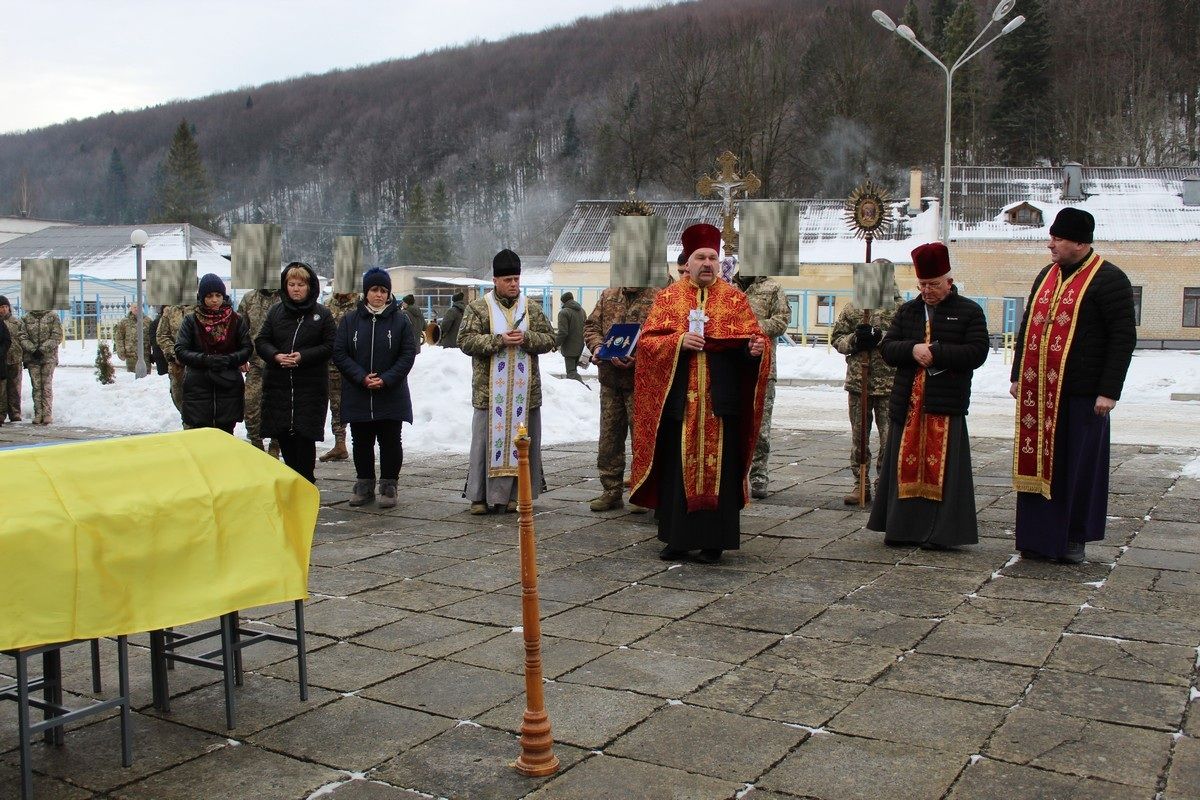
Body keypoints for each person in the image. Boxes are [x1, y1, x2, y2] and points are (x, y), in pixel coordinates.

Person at [629, 224, 771, 563]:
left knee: (721, 472)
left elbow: (753, 343)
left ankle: (714, 542)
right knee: (676, 470)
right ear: (688, 262)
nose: (707, 263)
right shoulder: (668, 298)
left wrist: (755, 350)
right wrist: (678, 342)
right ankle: (677, 539)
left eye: (712, 257)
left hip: (721, 404)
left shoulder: (735, 300)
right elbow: (647, 346)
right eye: (700, 257)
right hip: (680, 403)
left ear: (720, 262)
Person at [1010, 208, 1136, 564]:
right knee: (1038, 464)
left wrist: (1109, 391)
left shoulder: (1109, 279)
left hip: (1083, 394)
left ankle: (1072, 538)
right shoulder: (1046, 276)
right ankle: (1036, 538)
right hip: (1040, 392)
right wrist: (1018, 373)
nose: (1051, 244)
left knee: (1075, 467)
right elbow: (1027, 327)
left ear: (1080, 242)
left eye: (1058, 238)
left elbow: (1122, 339)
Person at [867, 242, 988, 550]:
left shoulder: (970, 311)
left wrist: (937, 353)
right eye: (922, 285)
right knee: (903, 465)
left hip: (945, 404)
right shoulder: (908, 311)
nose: (928, 290)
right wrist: (912, 349)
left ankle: (941, 533)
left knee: (943, 469)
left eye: (933, 284)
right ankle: (902, 528)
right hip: (908, 404)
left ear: (949, 281)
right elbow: (888, 348)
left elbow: (977, 352)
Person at [458, 249, 556, 514]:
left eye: (516, 279)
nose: (513, 284)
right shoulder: (478, 308)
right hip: (490, 392)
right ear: (495, 280)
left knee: (522, 443)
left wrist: (527, 339)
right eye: (508, 280)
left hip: (526, 393)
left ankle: (518, 494)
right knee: (484, 443)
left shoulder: (531, 308)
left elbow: (549, 339)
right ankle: (479, 496)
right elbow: (465, 341)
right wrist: (498, 340)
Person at [333, 268, 418, 509]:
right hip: (359, 392)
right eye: (374, 290)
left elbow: (407, 353)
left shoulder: (400, 320)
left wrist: (388, 378)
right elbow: (340, 352)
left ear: (389, 293)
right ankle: (364, 483)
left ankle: (389, 484)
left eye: (383, 290)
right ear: (366, 292)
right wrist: (361, 377)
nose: (378, 295)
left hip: (390, 393)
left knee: (390, 440)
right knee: (361, 441)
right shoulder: (350, 320)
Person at [583, 277, 667, 512]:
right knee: (609, 438)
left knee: (643, 439)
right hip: (610, 381)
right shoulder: (609, 295)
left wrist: (638, 357)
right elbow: (591, 326)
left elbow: (662, 339)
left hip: (641, 383)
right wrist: (598, 347)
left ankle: (642, 491)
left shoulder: (658, 296)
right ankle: (611, 490)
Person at [256, 262, 336, 484]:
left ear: (309, 287)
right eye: (291, 284)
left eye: (301, 284)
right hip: (279, 386)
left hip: (309, 387)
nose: (296, 289)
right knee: (285, 436)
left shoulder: (322, 314)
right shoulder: (275, 312)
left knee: (304, 437)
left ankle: (307, 482)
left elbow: (331, 345)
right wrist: (275, 356)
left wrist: (303, 356)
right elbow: (262, 341)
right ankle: (293, 482)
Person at [831, 271, 901, 505]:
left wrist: (881, 337)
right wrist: (855, 341)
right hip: (859, 383)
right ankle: (860, 483)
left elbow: (909, 340)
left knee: (889, 437)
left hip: (890, 383)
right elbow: (837, 338)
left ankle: (884, 482)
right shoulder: (854, 308)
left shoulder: (902, 308)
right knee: (859, 437)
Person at [733, 271, 791, 498]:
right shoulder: (728, 286)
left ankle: (758, 476)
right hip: (732, 366)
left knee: (761, 426)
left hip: (763, 367)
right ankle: (734, 473)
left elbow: (781, 320)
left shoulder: (773, 287)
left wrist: (750, 328)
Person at [174, 275, 252, 432]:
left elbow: (247, 348)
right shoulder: (191, 320)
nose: (214, 300)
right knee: (201, 436)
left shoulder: (236, 320)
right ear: (202, 297)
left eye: (218, 295)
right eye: (209, 296)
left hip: (228, 385)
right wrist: (205, 360)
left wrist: (229, 360)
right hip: (199, 386)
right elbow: (181, 350)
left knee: (225, 436)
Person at [238, 284, 281, 452]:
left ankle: (275, 448)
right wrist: (242, 356)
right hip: (256, 363)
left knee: (279, 408)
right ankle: (257, 446)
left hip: (280, 363)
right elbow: (241, 331)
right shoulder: (249, 299)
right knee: (250, 407)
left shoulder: (285, 297)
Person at [319, 287, 360, 462]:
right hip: (331, 365)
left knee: (357, 404)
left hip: (355, 365)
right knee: (336, 405)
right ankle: (340, 443)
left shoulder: (361, 305)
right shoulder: (327, 306)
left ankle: (361, 443)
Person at [17, 307, 63, 425]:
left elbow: (57, 336)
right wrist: (32, 349)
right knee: (36, 386)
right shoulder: (26, 318)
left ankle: (47, 414)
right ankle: (38, 414)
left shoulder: (53, 316)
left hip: (48, 357)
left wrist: (43, 349)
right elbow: (22, 336)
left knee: (46, 385)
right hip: (32, 358)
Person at [156, 300, 194, 414]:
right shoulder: (171, 310)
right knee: (182, 405)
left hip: (199, 364)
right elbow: (162, 335)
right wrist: (175, 354)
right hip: (178, 367)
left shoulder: (203, 308)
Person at [113, 303, 152, 373]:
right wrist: (121, 351)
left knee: (145, 377)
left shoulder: (148, 321)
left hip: (145, 355)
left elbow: (152, 337)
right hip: (131, 355)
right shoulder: (124, 322)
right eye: (134, 307)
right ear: (131, 308)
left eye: (138, 307)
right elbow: (119, 337)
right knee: (131, 377)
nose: (136, 309)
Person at [556, 291, 586, 380]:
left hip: (569, 349)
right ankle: (579, 390)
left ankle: (583, 388)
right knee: (574, 371)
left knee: (571, 373)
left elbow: (563, 332)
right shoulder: (582, 311)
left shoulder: (564, 312)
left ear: (563, 301)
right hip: (580, 347)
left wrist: (555, 344)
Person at [0, 296, 19, 422]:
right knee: (2, 390)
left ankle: (15, 413)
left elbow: (20, 339)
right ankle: (2, 413)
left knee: (14, 388)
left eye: (5, 307)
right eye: (1, 307)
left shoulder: (16, 322)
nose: (3, 309)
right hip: (2, 360)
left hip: (14, 358)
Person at [148, 306, 170, 376]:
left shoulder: (174, 322)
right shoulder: (155, 323)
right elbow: (153, 340)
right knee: (163, 376)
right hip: (160, 355)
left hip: (173, 355)